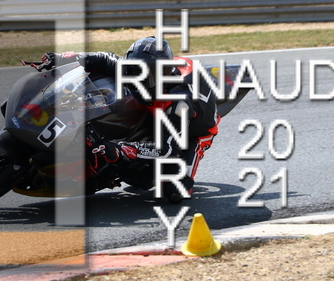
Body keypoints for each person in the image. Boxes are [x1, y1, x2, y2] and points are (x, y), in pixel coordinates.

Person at [30, 36, 219, 202]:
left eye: (149, 74)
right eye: (135, 70)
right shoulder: (136, 68)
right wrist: (63, 58)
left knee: (174, 191)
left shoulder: (179, 104)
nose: (140, 79)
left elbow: (166, 149)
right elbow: (104, 59)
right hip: (158, 112)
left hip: (192, 132)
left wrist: (121, 149)